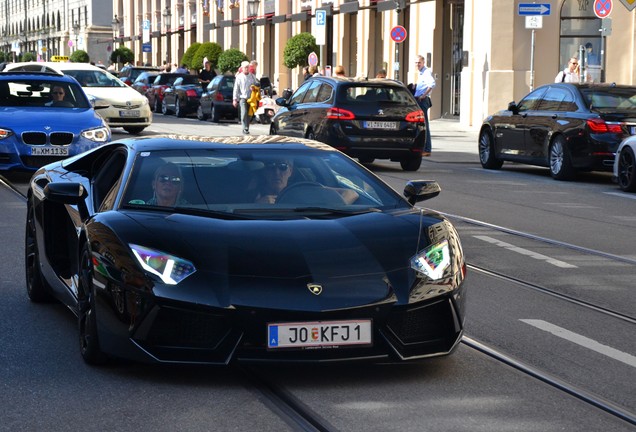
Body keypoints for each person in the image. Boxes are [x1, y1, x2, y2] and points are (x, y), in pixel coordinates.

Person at [413, 55, 435, 156]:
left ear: (423, 62)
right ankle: (423, 148)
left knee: (424, 125)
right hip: (419, 100)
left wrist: (423, 95)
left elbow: (432, 84)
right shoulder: (421, 73)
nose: (417, 64)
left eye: (419, 62)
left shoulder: (426, 72)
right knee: (421, 125)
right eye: (416, 63)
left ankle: (427, 149)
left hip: (422, 101)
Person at [233, 60, 259, 134]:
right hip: (243, 98)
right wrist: (234, 99)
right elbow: (236, 88)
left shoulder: (252, 76)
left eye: (247, 67)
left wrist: (254, 87)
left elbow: (257, 84)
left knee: (250, 114)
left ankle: (247, 127)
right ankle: (244, 128)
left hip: (251, 98)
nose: (247, 69)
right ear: (242, 68)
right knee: (244, 113)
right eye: (245, 67)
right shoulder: (239, 77)